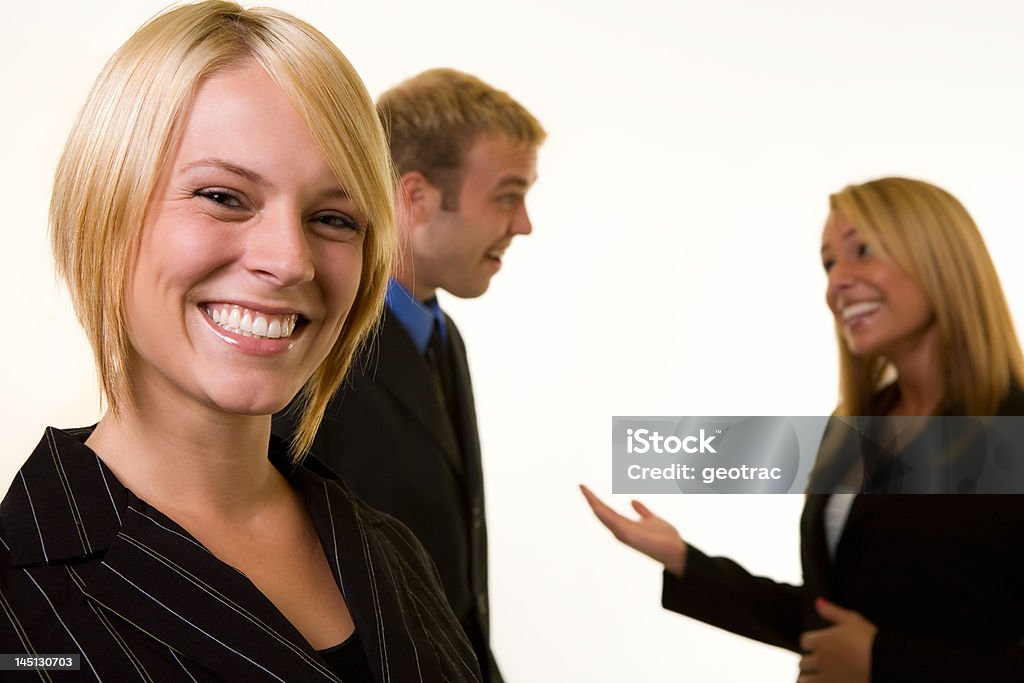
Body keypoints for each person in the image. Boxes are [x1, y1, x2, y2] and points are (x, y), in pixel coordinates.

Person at [0, 3, 481, 681]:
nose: (290, 261)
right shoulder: (17, 596)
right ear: (103, 210)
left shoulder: (392, 552)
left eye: (334, 217)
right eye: (224, 197)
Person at [582, 177, 1024, 682]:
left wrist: (884, 660)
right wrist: (685, 560)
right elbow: (827, 620)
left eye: (863, 251)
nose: (838, 282)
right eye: (829, 263)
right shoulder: (857, 427)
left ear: (941, 258)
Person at [274, 68, 544, 682]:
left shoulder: (444, 340)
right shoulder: (312, 348)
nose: (524, 223)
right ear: (415, 197)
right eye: (507, 194)